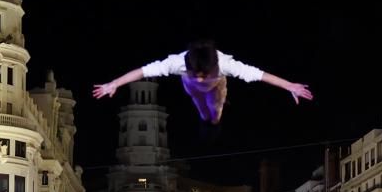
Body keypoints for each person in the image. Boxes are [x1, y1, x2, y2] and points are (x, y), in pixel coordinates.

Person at [91, 39, 313, 126]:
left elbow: (260, 75)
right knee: (200, 103)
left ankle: (216, 111)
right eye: (195, 72)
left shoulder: (226, 64)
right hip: (191, 89)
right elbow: (142, 71)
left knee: (215, 111)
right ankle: (204, 110)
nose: (200, 76)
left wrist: (290, 86)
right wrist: (114, 84)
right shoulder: (177, 62)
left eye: (202, 74)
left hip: (218, 85)